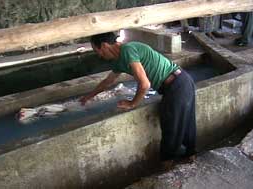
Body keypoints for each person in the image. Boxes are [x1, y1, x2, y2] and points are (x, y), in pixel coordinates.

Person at [80, 32, 197, 171]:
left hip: (176, 85)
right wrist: (89, 96)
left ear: (104, 46)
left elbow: (144, 84)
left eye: (96, 50)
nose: (98, 55)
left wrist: (132, 103)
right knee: (185, 121)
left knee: (172, 127)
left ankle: (168, 167)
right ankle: (190, 157)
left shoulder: (128, 50)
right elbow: (107, 81)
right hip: (181, 81)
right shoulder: (119, 61)